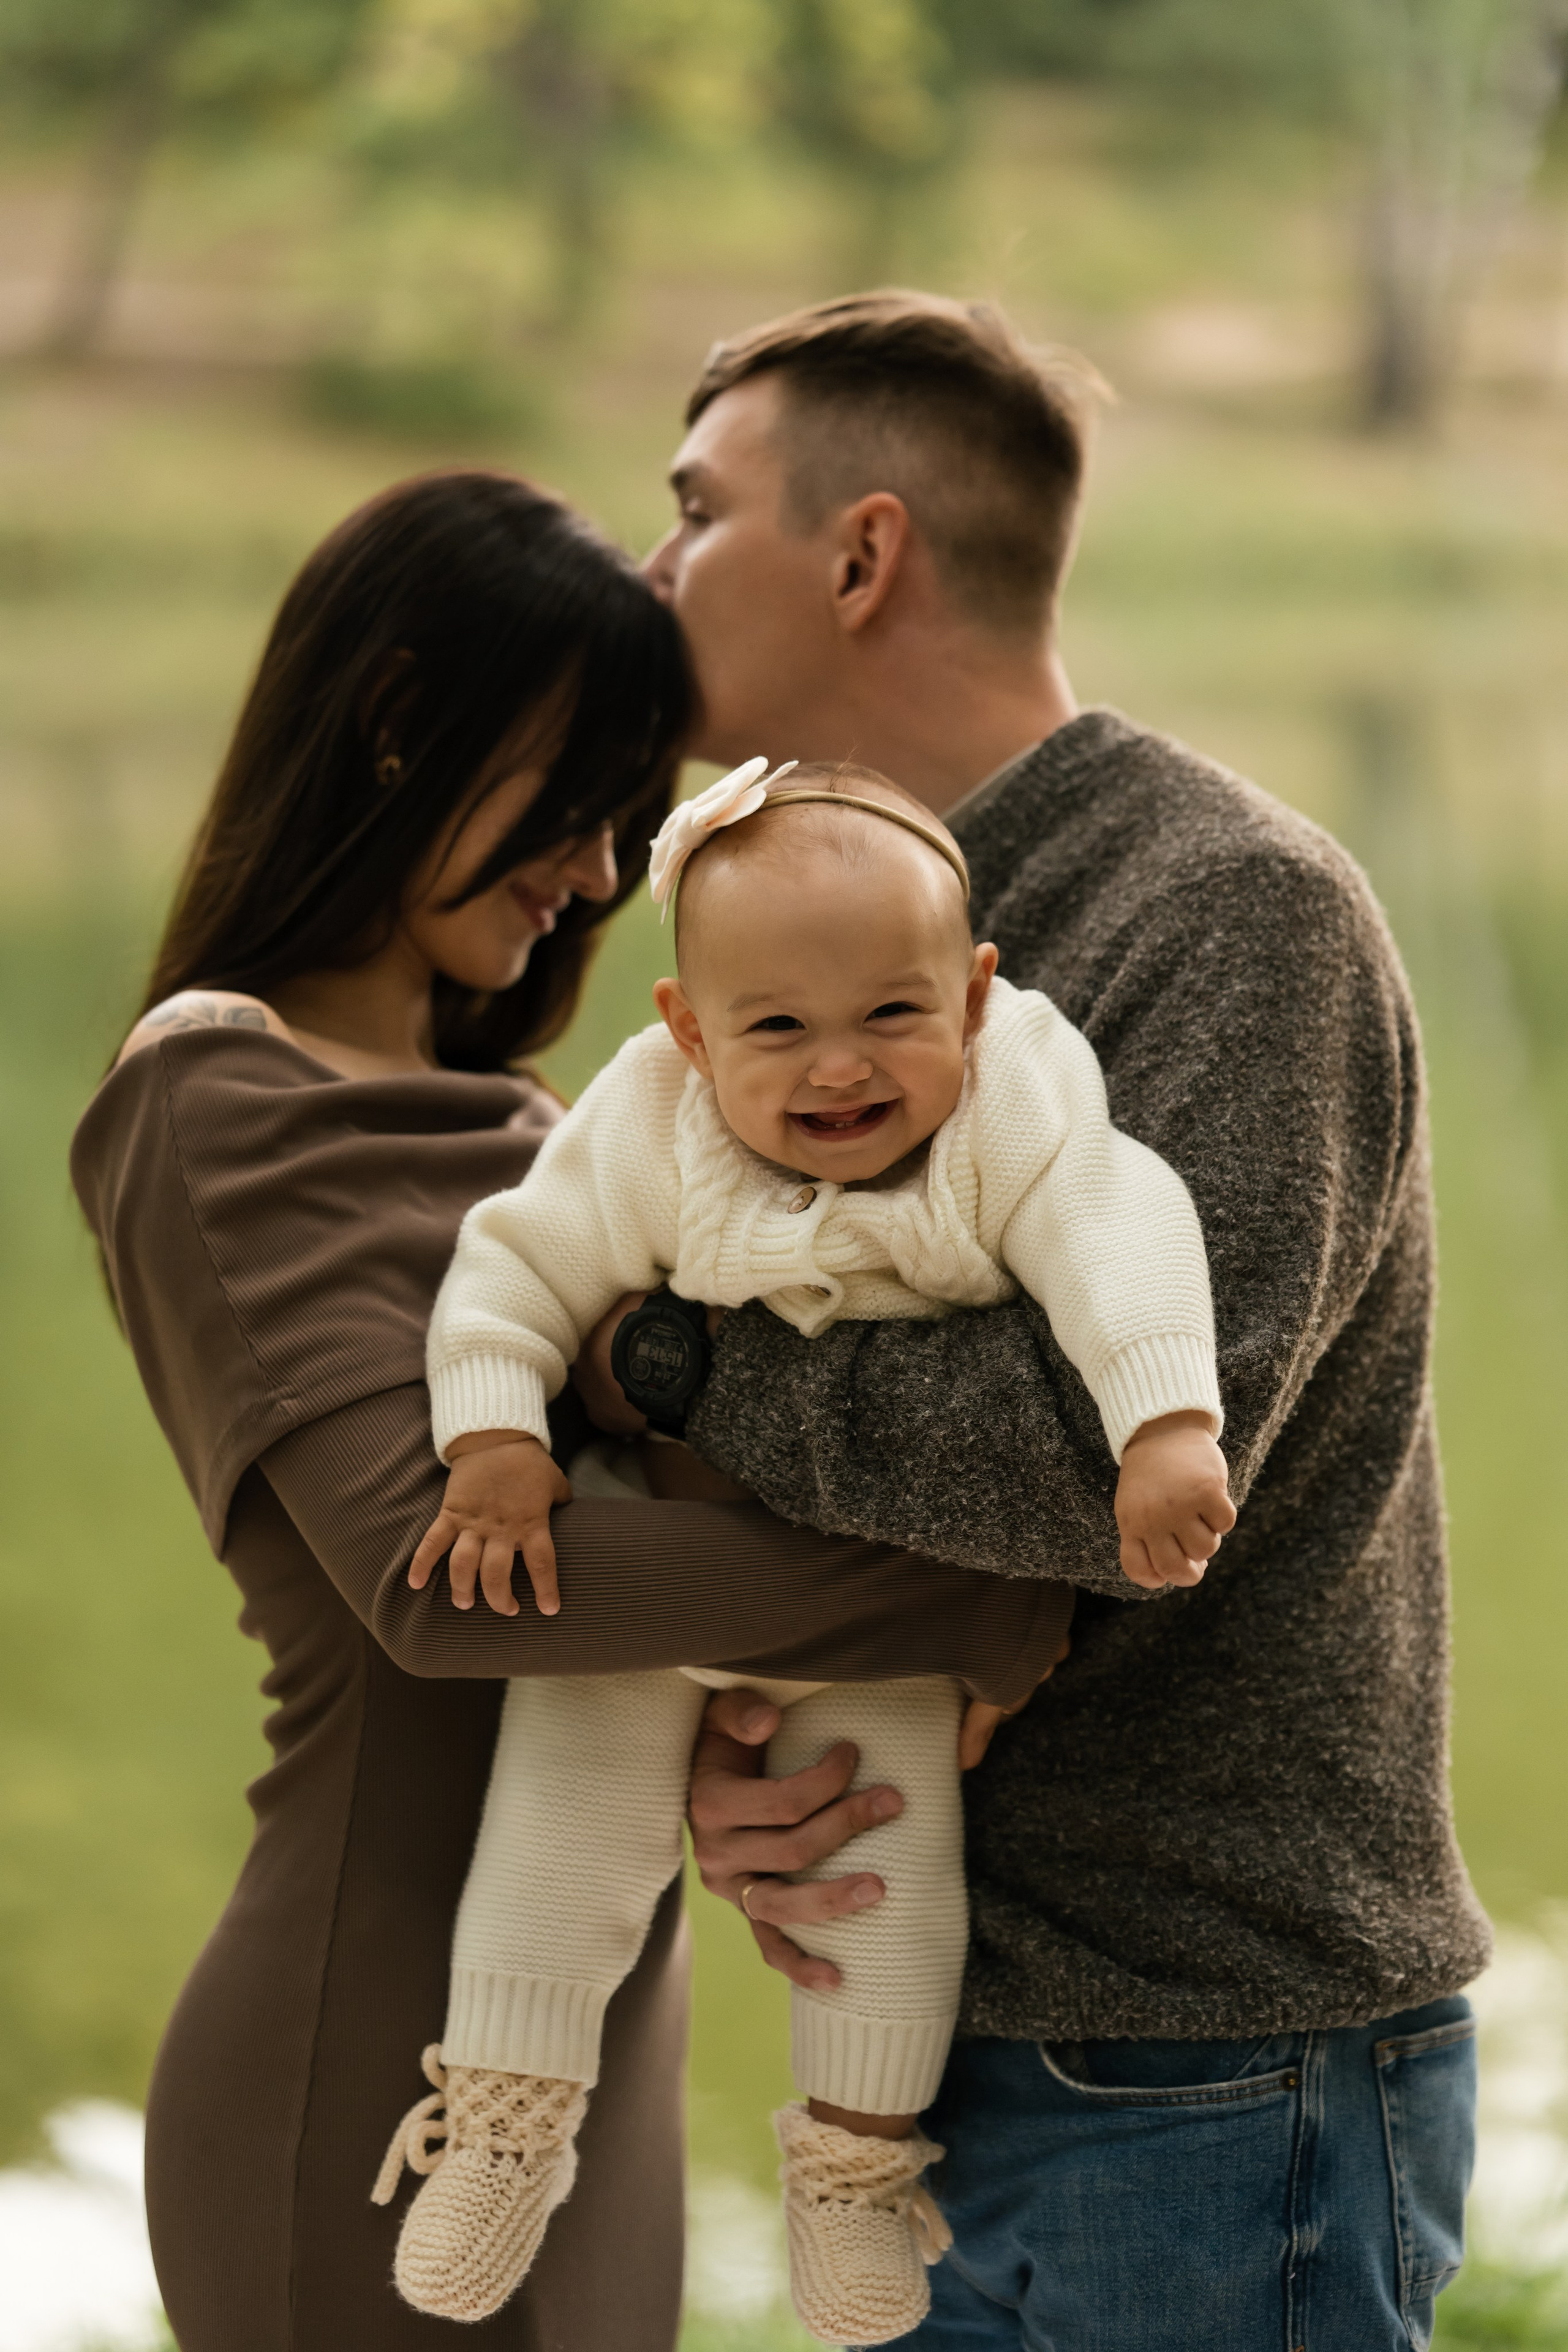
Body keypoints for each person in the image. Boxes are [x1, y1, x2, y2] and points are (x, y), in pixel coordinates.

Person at [69, 467, 1074, 2352]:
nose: (608, 873)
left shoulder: (554, 1136)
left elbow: (671, 1542)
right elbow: (445, 1588)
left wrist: (744, 1738)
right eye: (579, 795)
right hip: (366, 2045)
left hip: (599, 2018)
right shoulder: (216, 1096)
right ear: (394, 717)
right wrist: (964, 1595)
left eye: (639, 814)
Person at [605, 291, 1491, 2350]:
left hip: (1211, 2062)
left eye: (692, 511)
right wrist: (733, 1735)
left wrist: (670, 1363)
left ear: (861, 555)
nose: (650, 572)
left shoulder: (1229, 908)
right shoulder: (773, 958)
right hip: (910, 2035)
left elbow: (1100, 1462)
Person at [376, 756, 1229, 2339]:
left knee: (886, 1891)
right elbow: (516, 1271)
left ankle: (850, 2173)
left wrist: (1163, 1419)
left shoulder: (1012, 1105)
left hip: (870, 1603)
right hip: (656, 1555)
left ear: (973, 996)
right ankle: (505, 2123)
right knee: (559, 1839)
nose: (841, 1069)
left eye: (893, 1015)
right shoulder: (646, 1119)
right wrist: (491, 1438)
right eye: (775, 1029)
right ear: (691, 1030)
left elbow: (1118, 1224)